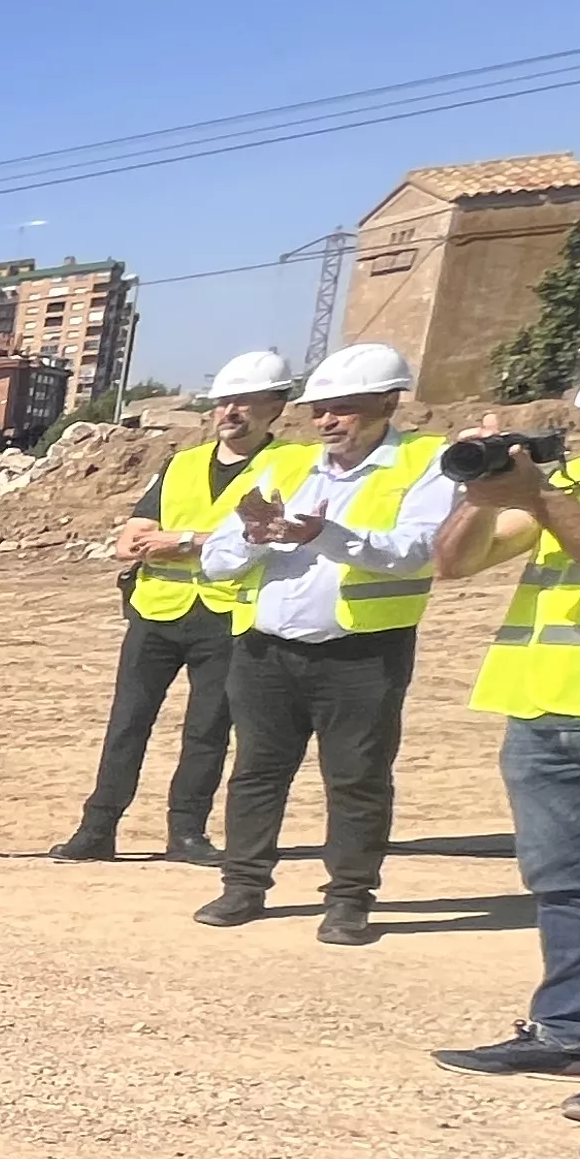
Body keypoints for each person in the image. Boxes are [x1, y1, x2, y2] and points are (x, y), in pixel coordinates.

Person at [193, 343, 459, 945]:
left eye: (344, 408)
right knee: (257, 772)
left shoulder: (425, 463)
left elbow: (417, 551)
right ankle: (243, 885)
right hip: (266, 651)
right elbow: (218, 559)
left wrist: (326, 535)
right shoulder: (287, 467)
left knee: (357, 777)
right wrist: (259, 538)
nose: (327, 421)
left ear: (388, 403)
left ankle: (348, 898)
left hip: (362, 655)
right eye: (319, 410)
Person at [428, 337, 580, 1114]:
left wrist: (538, 498)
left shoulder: (561, 493)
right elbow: (454, 565)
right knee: (565, 881)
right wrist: (480, 489)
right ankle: (568, 1031)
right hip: (541, 706)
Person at [54, 350, 301, 864]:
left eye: (246, 402)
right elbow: (131, 542)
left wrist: (182, 538)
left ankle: (186, 832)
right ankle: (97, 828)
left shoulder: (291, 465)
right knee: (127, 722)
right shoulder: (182, 464)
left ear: (276, 406)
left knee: (208, 729)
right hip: (157, 610)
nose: (231, 411)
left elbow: (270, 534)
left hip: (227, 615)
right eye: (224, 401)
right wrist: (207, 538)